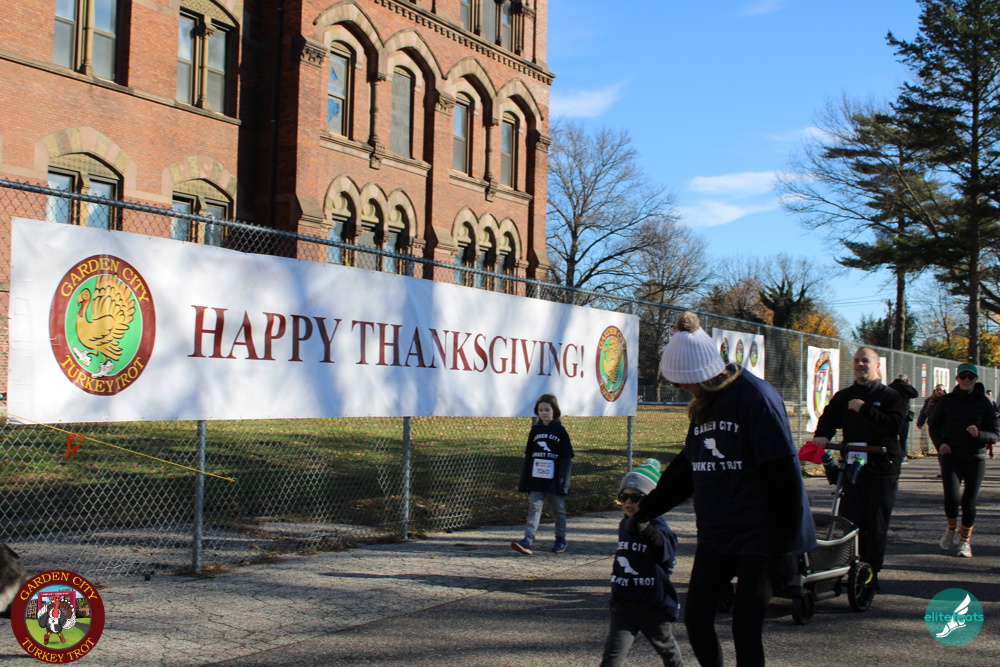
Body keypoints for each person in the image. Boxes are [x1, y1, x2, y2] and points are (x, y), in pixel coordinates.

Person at [631, 311, 816, 667]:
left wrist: (783, 550)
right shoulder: (705, 403)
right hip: (717, 532)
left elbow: (783, 476)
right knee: (697, 619)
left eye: (683, 383)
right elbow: (688, 465)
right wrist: (648, 509)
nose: (681, 390)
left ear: (701, 375)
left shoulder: (756, 398)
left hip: (759, 535)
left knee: (746, 629)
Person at [813, 347, 905, 586]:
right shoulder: (844, 396)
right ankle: (848, 566)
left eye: (865, 361)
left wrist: (865, 409)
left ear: (877, 366)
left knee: (875, 525)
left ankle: (870, 572)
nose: (860, 365)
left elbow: (894, 426)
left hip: (882, 468)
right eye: (856, 361)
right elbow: (828, 420)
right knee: (850, 521)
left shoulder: (890, 396)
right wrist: (822, 435)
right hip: (853, 467)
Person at [600, 459, 684, 667]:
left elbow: (665, 552)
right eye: (623, 497)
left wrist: (647, 531)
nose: (628, 503)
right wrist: (616, 592)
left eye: (636, 498)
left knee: (666, 648)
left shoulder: (658, 527)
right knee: (613, 654)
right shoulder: (624, 524)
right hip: (624, 601)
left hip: (651, 602)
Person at [927, 362, 998, 557]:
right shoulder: (947, 400)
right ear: (957, 379)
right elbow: (933, 426)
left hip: (976, 458)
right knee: (952, 499)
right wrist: (940, 444)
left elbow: (995, 434)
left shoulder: (984, 402)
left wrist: (979, 434)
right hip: (952, 456)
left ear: (976, 379)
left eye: (971, 377)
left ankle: (965, 542)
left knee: (969, 502)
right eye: (963, 376)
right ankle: (951, 528)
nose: (967, 380)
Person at [511, 393, 574, 555]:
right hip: (537, 479)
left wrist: (562, 480)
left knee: (558, 510)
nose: (544, 413)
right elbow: (529, 455)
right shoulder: (535, 430)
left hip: (554, 480)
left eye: (547, 410)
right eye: (540, 410)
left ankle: (560, 539)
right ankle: (528, 540)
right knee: (534, 507)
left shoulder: (560, 431)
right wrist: (526, 479)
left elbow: (566, 456)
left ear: (554, 411)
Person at [889, 373, 919, 460]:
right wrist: (909, 385)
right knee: (903, 437)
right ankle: (902, 455)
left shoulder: (890, 387)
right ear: (905, 380)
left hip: (892, 413)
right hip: (903, 414)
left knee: (892, 435)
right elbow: (915, 394)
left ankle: (892, 454)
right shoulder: (906, 388)